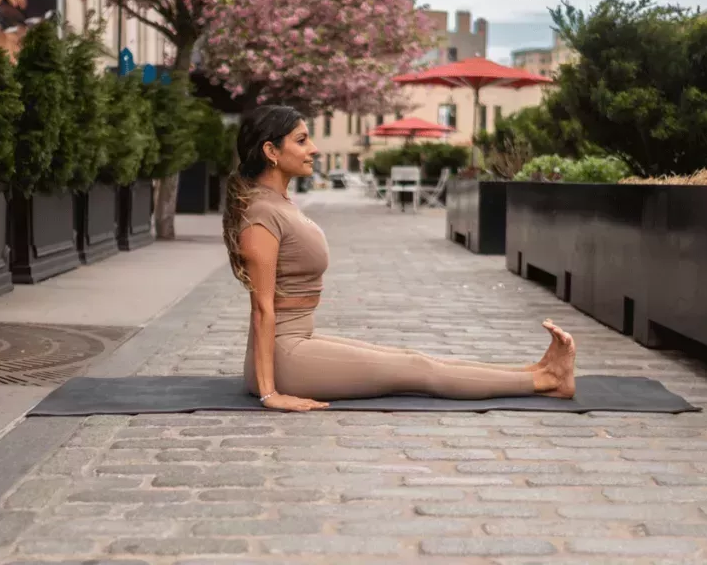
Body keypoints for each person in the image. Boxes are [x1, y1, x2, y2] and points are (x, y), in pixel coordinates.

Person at [222, 105, 577, 412]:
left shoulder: (278, 203)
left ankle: (536, 371)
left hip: (298, 342)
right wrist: (270, 393)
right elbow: (261, 308)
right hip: (284, 358)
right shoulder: (260, 214)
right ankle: (546, 381)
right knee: (418, 370)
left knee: (413, 357)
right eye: (301, 140)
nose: (313, 149)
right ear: (271, 150)